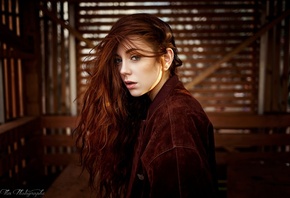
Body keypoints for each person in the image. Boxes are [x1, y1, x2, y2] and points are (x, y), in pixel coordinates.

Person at [75, 13, 217, 198]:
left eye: (135, 57)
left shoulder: (175, 121)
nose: (123, 70)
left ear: (166, 59)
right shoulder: (154, 106)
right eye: (118, 60)